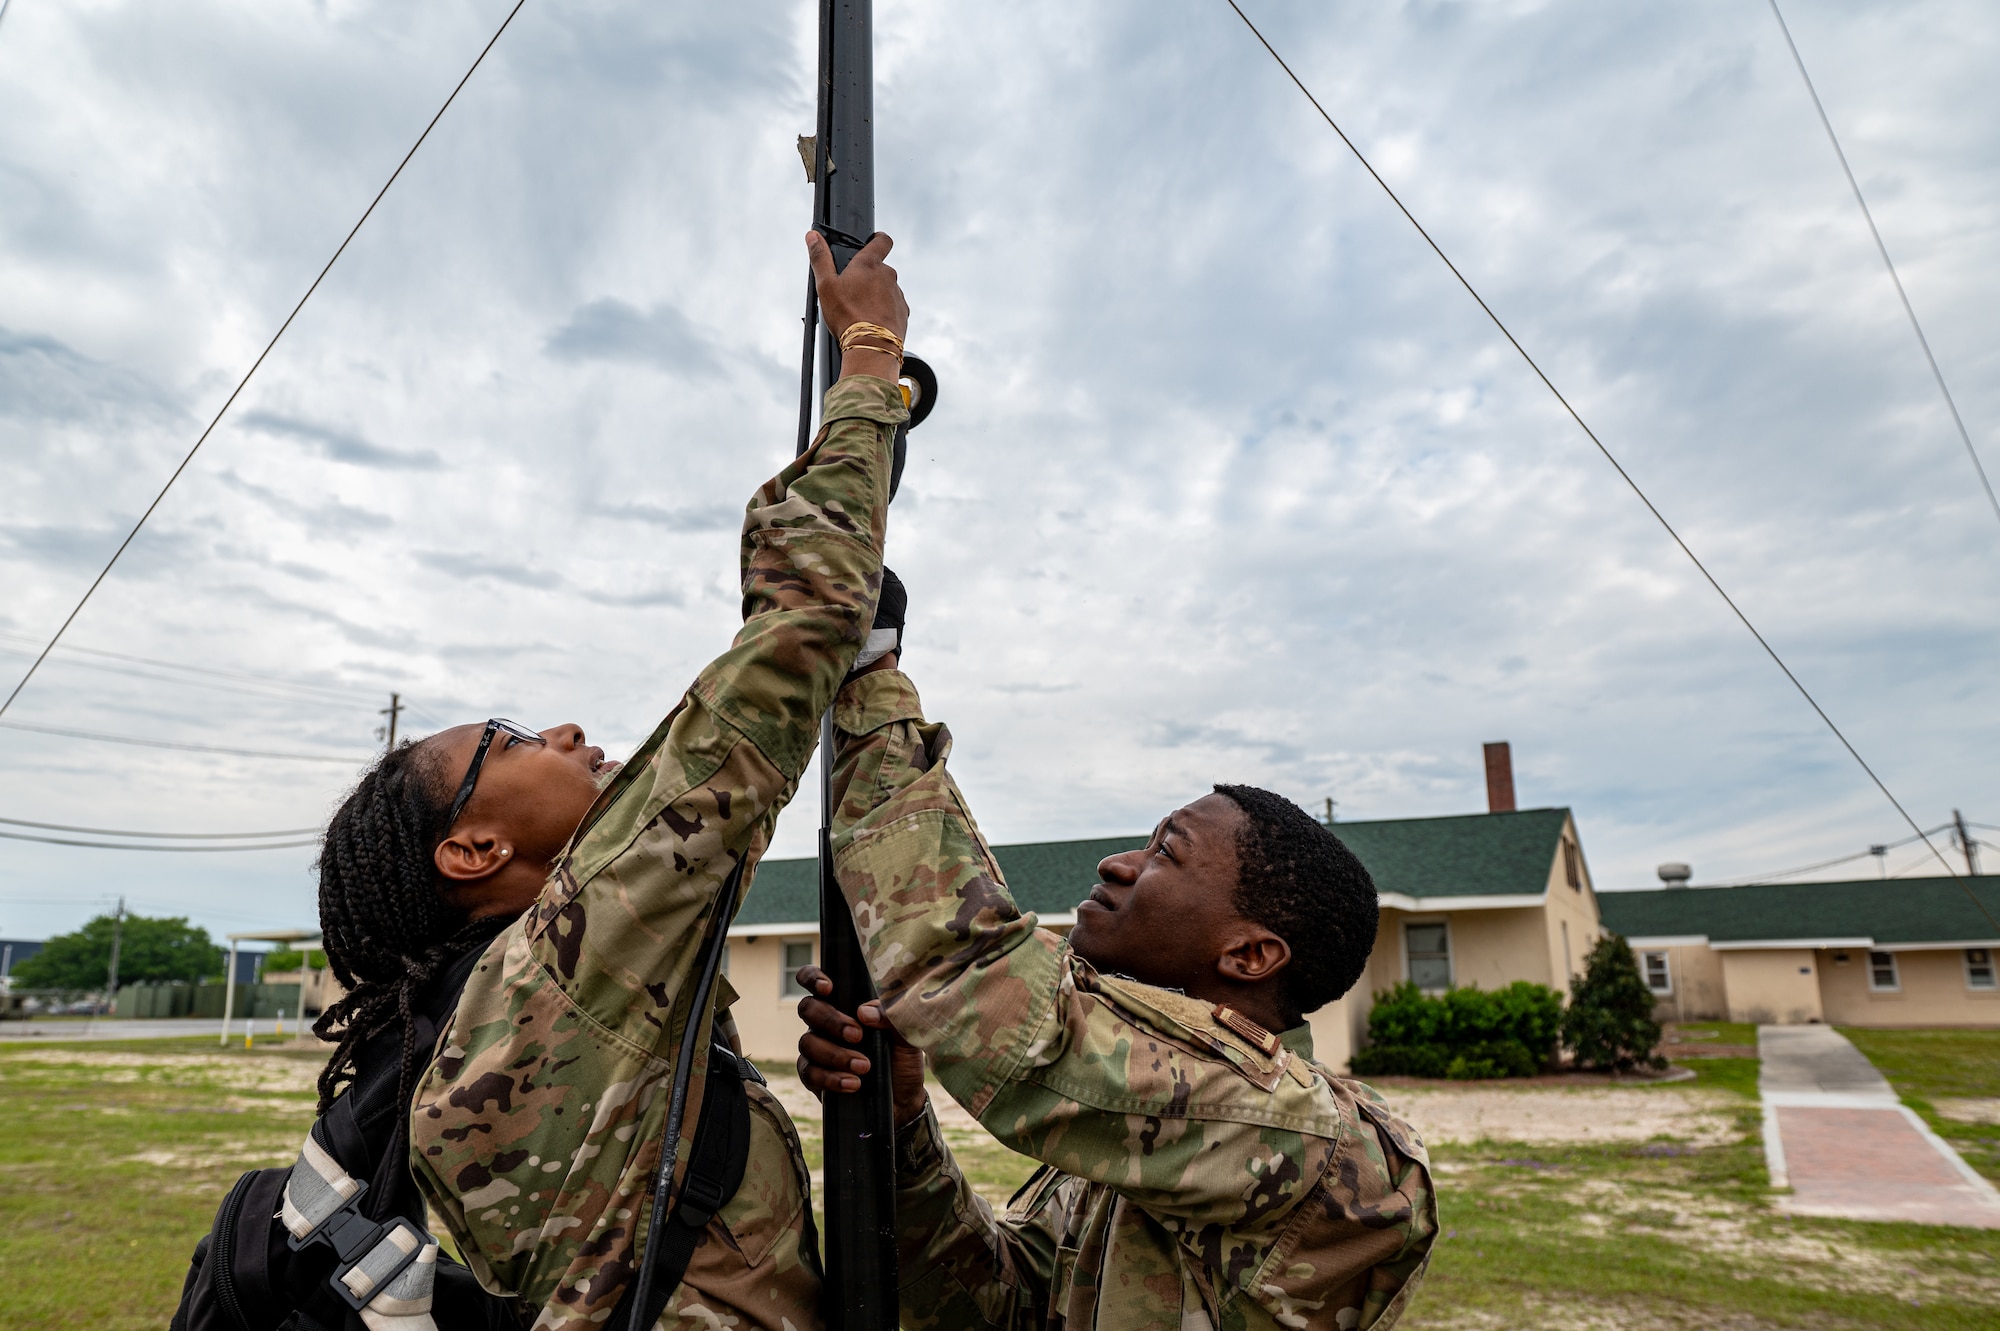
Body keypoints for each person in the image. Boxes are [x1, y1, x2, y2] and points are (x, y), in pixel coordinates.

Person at [308, 230, 912, 1331]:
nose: (566, 727)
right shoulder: (557, 973)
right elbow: (799, 633)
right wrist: (869, 361)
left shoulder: (499, 1021)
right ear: (473, 850)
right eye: (507, 737)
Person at [794, 656, 1438, 1331]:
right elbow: (1005, 1304)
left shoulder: (1308, 1136)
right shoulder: (1145, 1124)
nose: (1117, 863)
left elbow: (988, 986)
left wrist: (869, 675)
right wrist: (902, 1124)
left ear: (1249, 954)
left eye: (1166, 852)